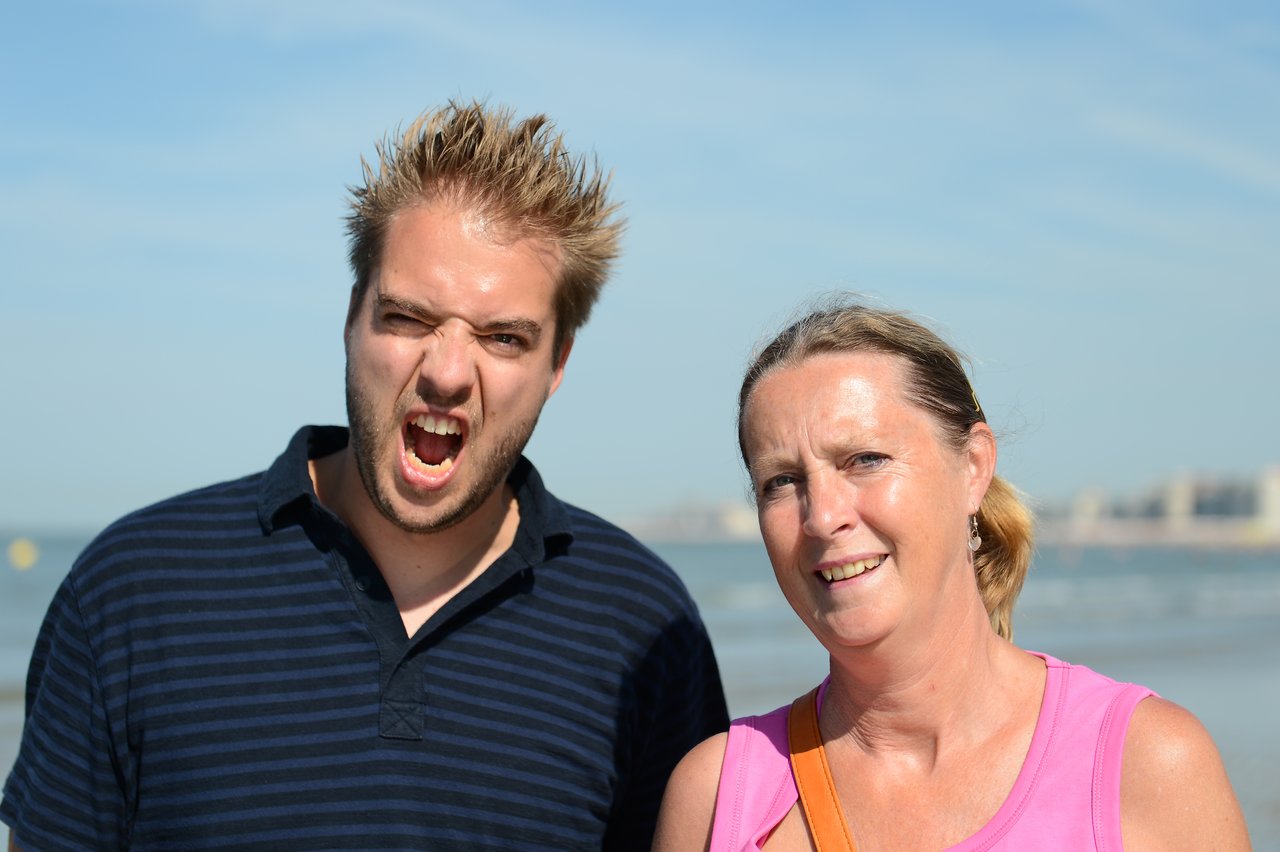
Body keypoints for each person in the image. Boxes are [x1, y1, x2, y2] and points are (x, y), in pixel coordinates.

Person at [2, 100, 728, 851]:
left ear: (558, 365)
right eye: (409, 318)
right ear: (352, 318)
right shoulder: (130, 591)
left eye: (503, 337)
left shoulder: (645, 628)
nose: (446, 373)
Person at [653, 298, 1250, 851]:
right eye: (781, 481)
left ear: (972, 466)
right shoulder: (718, 798)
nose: (822, 516)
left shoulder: (1142, 765)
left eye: (865, 459)